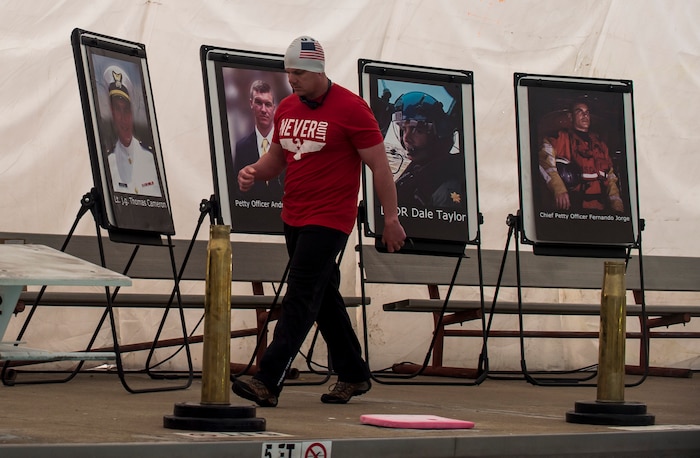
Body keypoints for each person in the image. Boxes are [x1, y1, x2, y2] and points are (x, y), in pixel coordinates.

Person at [233, 36, 406, 407]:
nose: (291, 79)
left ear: (317, 71)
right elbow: (277, 159)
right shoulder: (287, 108)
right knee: (321, 295)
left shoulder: (352, 109)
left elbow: (380, 167)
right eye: (288, 72)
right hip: (294, 213)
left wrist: (390, 218)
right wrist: (253, 172)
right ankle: (354, 373)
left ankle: (268, 378)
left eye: (298, 72)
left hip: (330, 218)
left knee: (299, 294)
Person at [538, 100, 623, 213]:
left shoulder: (600, 145)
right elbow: (545, 163)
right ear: (570, 116)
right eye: (579, 111)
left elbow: (611, 178)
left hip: (599, 211)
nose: (585, 115)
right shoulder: (559, 138)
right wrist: (558, 189)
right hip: (570, 209)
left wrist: (617, 206)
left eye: (587, 112)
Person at [392, 92, 464, 208]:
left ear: (437, 136)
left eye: (418, 130)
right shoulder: (420, 168)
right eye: (403, 129)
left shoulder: (446, 189)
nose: (406, 138)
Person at [104, 66, 162, 197]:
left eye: (127, 110)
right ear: (112, 113)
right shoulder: (108, 161)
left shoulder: (150, 157)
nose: (123, 118)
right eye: (118, 109)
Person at [232, 80, 283, 201]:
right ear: (251, 104)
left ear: (274, 108)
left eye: (268, 104)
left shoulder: (286, 145)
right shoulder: (241, 147)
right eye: (259, 103)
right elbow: (236, 193)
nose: (263, 110)